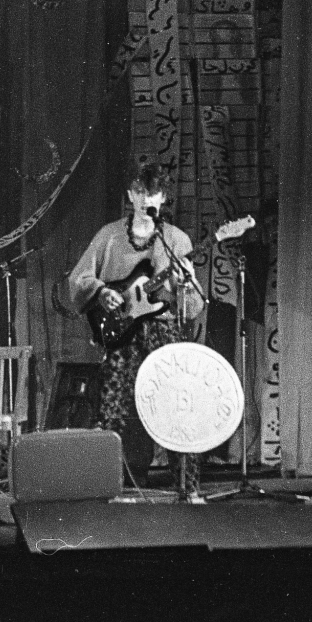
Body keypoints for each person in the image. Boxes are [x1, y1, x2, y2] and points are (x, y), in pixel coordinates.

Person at [67, 163, 207, 494]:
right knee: (113, 409)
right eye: (141, 192)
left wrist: (186, 284)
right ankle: (109, 488)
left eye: (153, 193)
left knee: (177, 406)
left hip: (163, 332)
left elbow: (193, 307)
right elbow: (79, 279)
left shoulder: (176, 240)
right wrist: (102, 292)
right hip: (122, 334)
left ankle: (187, 490)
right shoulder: (109, 236)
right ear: (130, 195)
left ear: (163, 198)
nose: (146, 199)